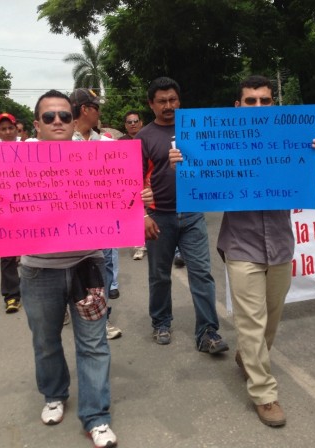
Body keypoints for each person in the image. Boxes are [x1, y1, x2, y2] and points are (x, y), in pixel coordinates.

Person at [0, 89, 153, 447]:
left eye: (64, 116)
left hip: (87, 266)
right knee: (45, 340)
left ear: (74, 121)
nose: (57, 121)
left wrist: (141, 199)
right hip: (38, 271)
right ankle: (54, 394)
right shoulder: (8, 161)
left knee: (94, 343)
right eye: (48, 116)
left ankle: (97, 416)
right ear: (37, 124)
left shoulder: (99, 155)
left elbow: (129, 190)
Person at [170, 75, 315, 427]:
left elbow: (304, 178)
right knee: (251, 320)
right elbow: (199, 179)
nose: (258, 106)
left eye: (265, 100)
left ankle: (248, 357)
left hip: (280, 244)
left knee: (272, 316)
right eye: (251, 100)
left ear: (273, 103)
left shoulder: (295, 139)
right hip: (241, 245)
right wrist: (182, 163)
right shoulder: (220, 142)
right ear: (237, 106)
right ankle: (264, 392)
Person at [138, 76, 228, 353]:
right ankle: (161, 322)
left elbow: (216, 164)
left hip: (192, 215)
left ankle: (208, 332)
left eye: (173, 99)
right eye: (162, 101)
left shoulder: (196, 130)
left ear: (180, 100)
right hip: (159, 217)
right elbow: (133, 180)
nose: (168, 105)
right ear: (151, 104)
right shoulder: (143, 137)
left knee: (202, 274)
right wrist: (143, 215)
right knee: (159, 275)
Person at [69, 88, 122, 340]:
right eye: (97, 107)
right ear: (85, 110)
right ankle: (71, 310)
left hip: (103, 222)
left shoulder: (109, 146)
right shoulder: (59, 144)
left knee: (103, 268)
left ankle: (102, 318)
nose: (100, 113)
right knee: (71, 268)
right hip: (69, 222)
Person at [0, 113, 23, 314]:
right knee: (7, 254)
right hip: (3, 210)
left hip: (28, 209)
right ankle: (11, 295)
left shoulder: (30, 149)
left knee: (31, 250)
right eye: (3, 129)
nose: (8, 132)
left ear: (17, 129)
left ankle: (33, 287)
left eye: (11, 128)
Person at [119, 111, 148, 261]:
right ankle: (139, 246)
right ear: (125, 125)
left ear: (141, 122)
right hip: (129, 184)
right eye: (129, 122)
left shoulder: (148, 138)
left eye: (135, 121)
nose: (133, 124)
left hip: (149, 181)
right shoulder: (120, 142)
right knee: (135, 213)